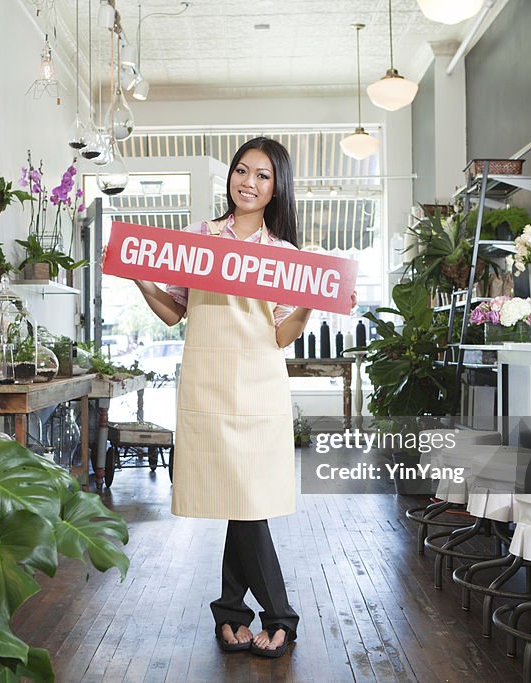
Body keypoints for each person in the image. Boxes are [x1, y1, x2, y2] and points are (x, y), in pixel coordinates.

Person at [126, 137, 353, 658]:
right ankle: (239, 613)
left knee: (247, 500)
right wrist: (140, 278)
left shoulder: (285, 256)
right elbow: (173, 312)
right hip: (208, 381)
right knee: (238, 499)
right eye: (242, 171)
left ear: (277, 189)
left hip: (259, 385)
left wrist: (311, 305)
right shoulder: (199, 240)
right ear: (230, 176)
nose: (249, 182)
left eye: (263, 176)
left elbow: (282, 334)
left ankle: (267, 614)